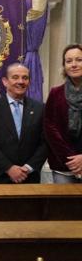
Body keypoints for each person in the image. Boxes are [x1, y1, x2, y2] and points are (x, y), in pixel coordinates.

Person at [0, 63, 47, 184]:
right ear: (5, 81)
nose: (20, 81)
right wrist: (8, 168)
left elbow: (45, 143)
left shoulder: (39, 108)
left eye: (25, 78)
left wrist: (28, 168)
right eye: (15, 77)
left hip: (29, 178)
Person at [44, 44, 82, 184]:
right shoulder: (55, 93)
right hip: (63, 165)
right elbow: (50, 128)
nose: (74, 65)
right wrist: (71, 159)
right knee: (64, 206)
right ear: (64, 66)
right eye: (69, 61)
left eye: (79, 60)